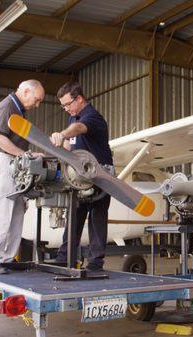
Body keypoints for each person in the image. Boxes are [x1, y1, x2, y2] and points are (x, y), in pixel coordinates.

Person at [0, 79, 45, 275]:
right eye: (37, 100)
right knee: (1, 210)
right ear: (26, 91)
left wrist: (29, 155)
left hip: (15, 164)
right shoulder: (7, 106)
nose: (37, 105)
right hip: (3, 162)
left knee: (17, 212)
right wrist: (24, 155)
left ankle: (6, 259)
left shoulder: (20, 110)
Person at [50, 81, 113, 271]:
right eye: (63, 106)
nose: (66, 109)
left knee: (97, 219)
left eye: (67, 104)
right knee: (74, 217)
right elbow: (70, 147)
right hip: (80, 179)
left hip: (100, 177)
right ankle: (64, 257)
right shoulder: (73, 117)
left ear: (79, 99)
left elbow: (78, 129)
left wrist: (62, 134)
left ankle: (95, 263)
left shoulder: (92, 117)